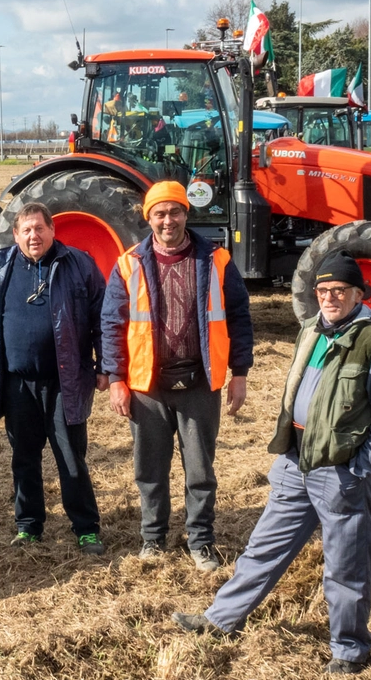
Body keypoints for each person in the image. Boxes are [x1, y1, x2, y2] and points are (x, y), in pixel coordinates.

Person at [173, 250, 371, 676]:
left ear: (359, 293)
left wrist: (363, 466)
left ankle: (349, 650)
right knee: (262, 549)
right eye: (323, 290)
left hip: (340, 470)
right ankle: (220, 619)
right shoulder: (311, 331)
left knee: (346, 564)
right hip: (296, 460)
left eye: (339, 290)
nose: (330, 298)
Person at [101, 180, 253, 571]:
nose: (168, 220)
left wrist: (240, 373)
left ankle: (201, 541)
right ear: (148, 218)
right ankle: (153, 539)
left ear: (187, 213)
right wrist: (116, 378)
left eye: (175, 211)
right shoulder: (129, 263)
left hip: (200, 383)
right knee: (149, 469)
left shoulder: (216, 260)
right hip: (147, 386)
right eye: (160, 213)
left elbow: (238, 317)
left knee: (200, 471)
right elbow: (112, 324)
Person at [0, 202, 108, 555]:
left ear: (52, 230)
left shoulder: (79, 265)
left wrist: (105, 364)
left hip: (66, 382)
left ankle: (86, 528)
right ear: (15, 235)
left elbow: (101, 318)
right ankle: (29, 526)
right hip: (17, 383)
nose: (34, 235)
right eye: (26, 230)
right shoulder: (0, 268)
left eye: (39, 228)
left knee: (71, 456)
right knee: (24, 457)